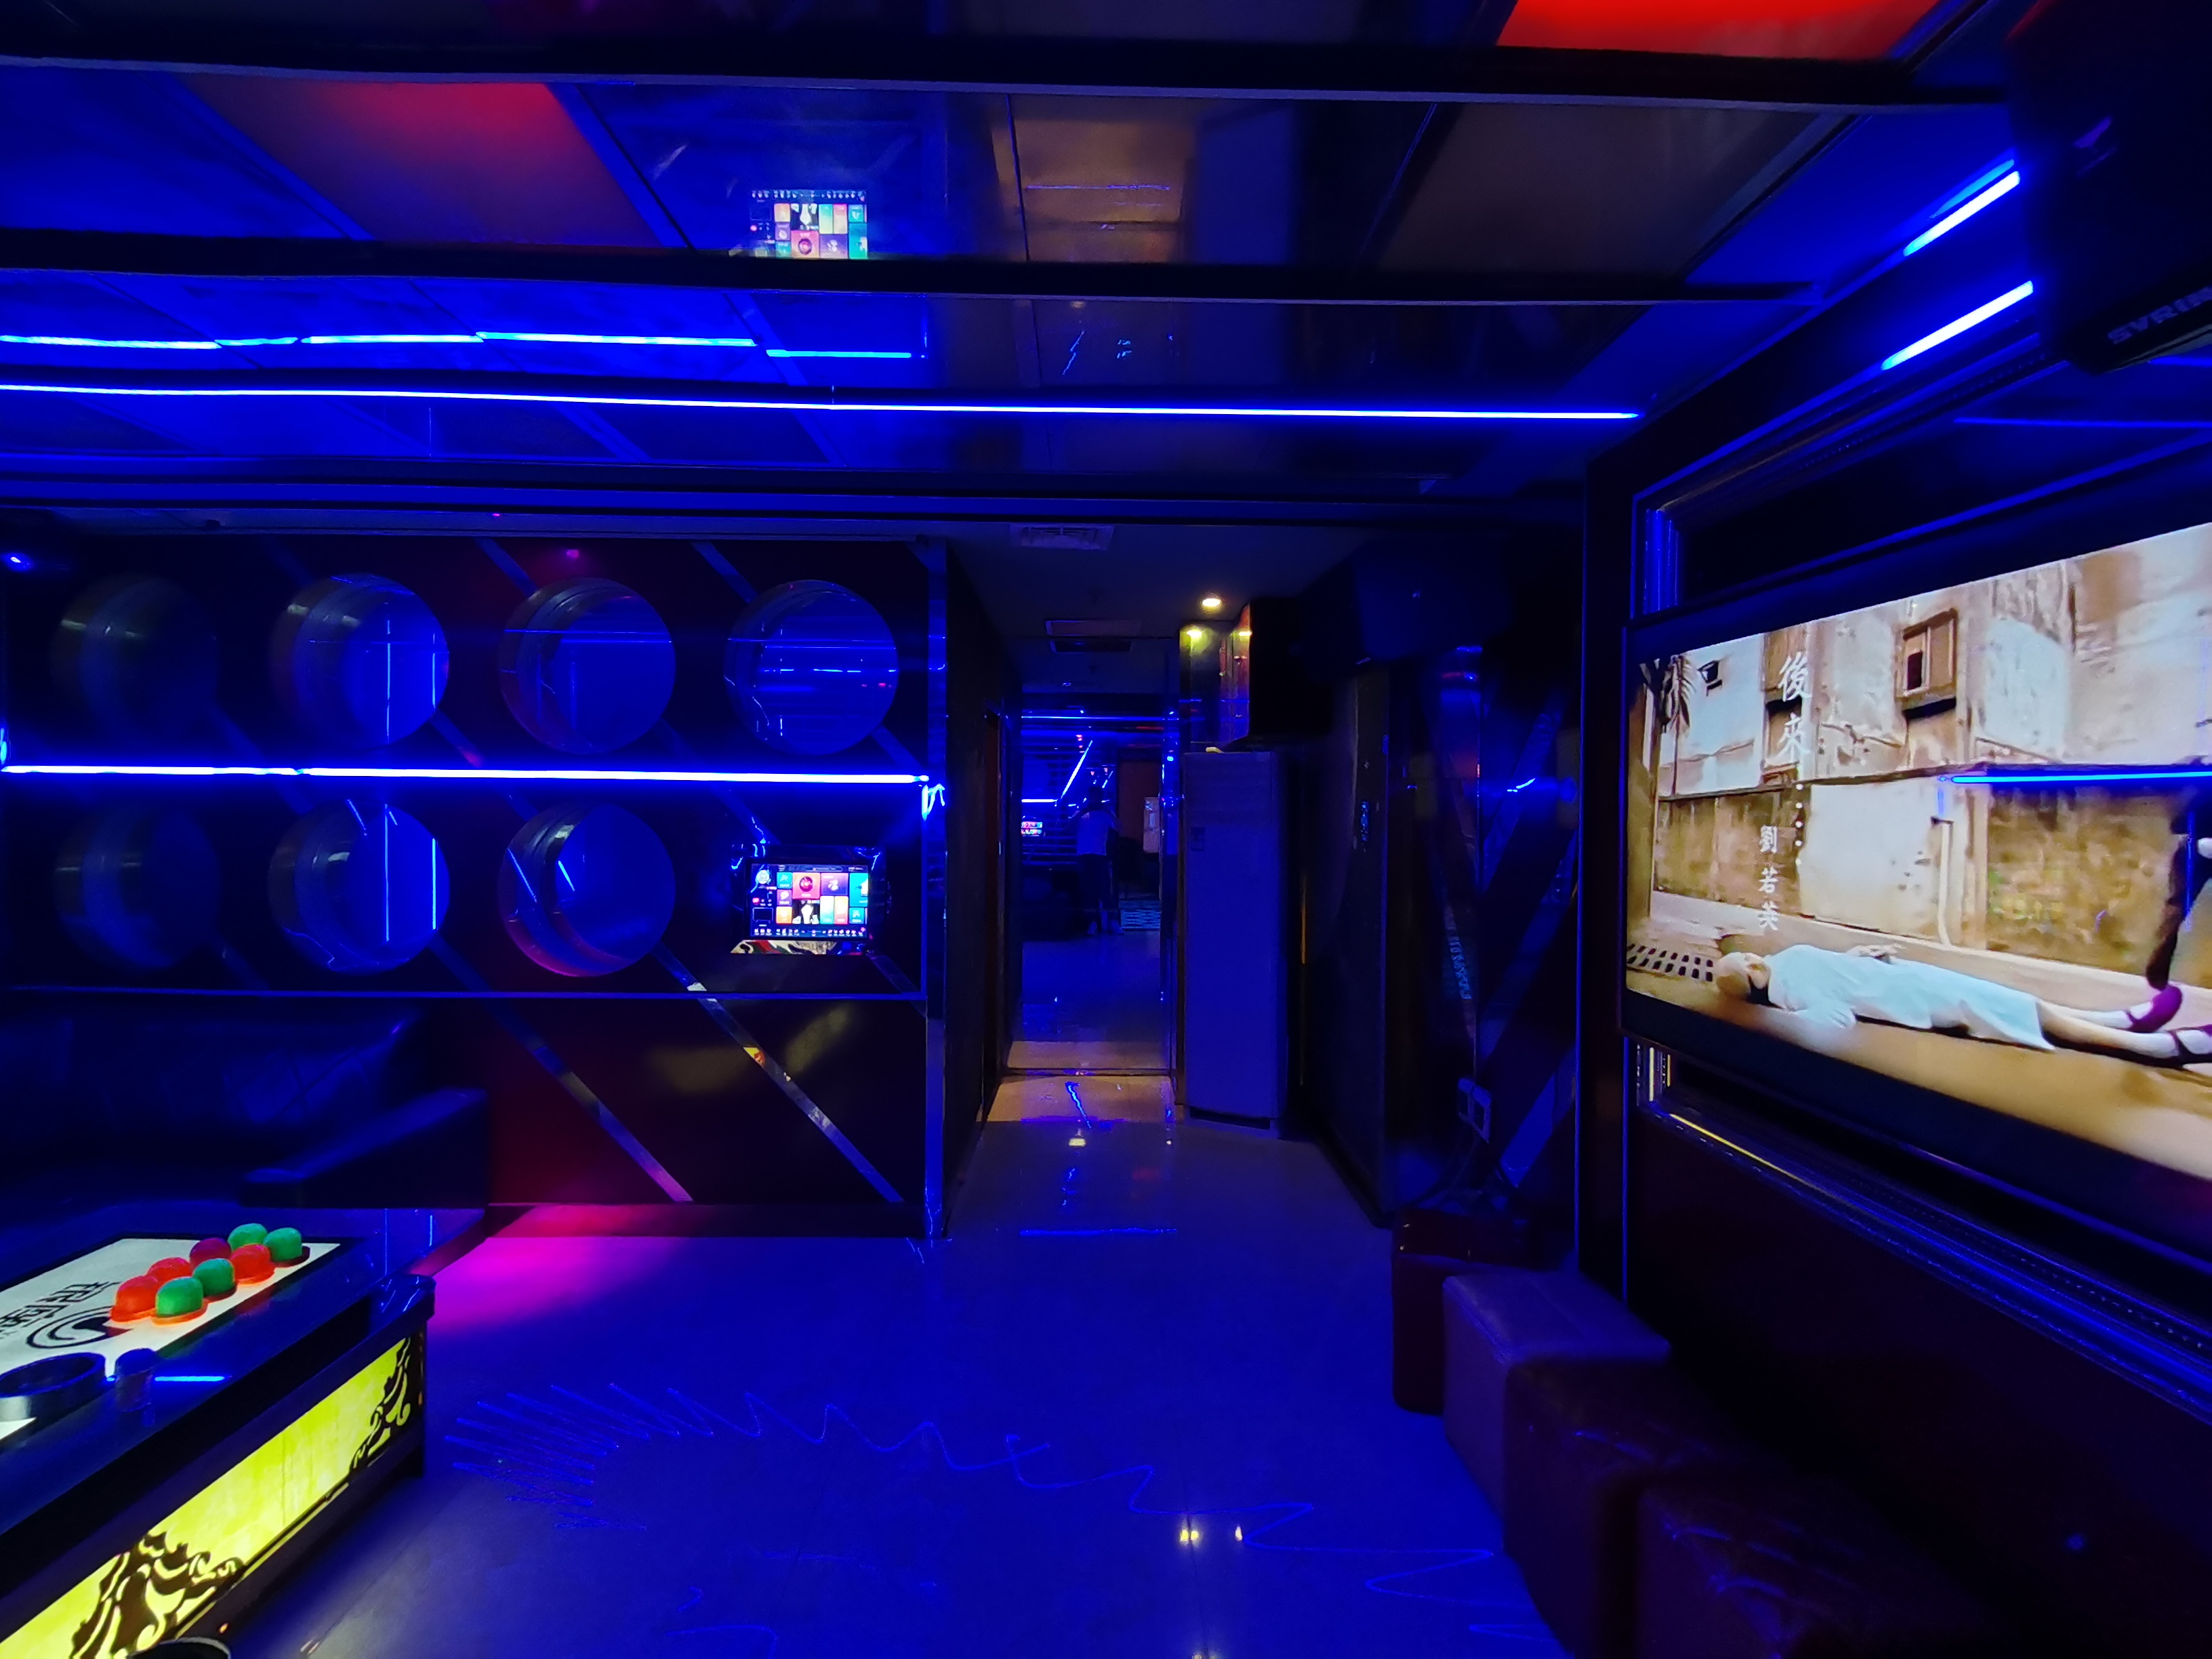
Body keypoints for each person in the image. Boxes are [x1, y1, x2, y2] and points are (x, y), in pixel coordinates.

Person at [1713, 942, 2212, 1063]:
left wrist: (1856, 958)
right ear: (1752, 974)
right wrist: (1784, 1025)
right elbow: (1834, 1018)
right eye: (1747, 961)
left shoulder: (1789, 964)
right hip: (1915, 997)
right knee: (2017, 1009)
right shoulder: (1790, 993)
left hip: (1910, 979)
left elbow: (1832, 971)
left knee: (2013, 1000)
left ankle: (2120, 1021)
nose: (1754, 955)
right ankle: (2153, 1047)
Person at [1074, 798, 1117, 936]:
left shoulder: (1104, 815)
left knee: (1105, 890)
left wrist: (1109, 812)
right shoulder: (1080, 814)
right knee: (1088, 891)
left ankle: (1112, 921)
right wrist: (1081, 812)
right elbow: (1067, 829)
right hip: (1084, 856)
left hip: (1100, 856)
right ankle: (1093, 922)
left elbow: (1120, 827)